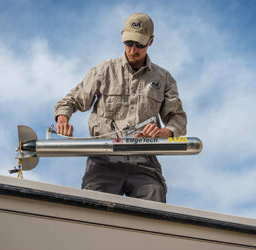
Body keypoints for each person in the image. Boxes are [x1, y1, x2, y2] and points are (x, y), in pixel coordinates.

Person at [54, 13, 187, 203]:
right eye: (129, 42)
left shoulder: (163, 78)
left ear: (151, 41)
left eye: (140, 44)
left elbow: (178, 119)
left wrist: (164, 132)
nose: (133, 49)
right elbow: (70, 101)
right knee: (92, 210)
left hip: (145, 161)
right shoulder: (103, 70)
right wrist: (63, 120)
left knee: (155, 208)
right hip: (103, 159)